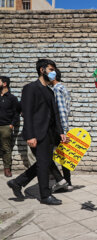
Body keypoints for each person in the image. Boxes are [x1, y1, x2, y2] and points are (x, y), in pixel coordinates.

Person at [7, 59, 67, 205]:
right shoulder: (30, 88)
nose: (53, 72)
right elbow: (26, 113)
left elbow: (55, 114)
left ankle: (17, 182)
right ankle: (45, 196)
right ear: (42, 70)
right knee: (44, 163)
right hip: (37, 133)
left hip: (49, 134)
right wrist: (30, 135)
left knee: (43, 163)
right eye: (51, 69)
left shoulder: (49, 91)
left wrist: (61, 131)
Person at [49, 68, 73, 191]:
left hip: (58, 128)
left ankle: (63, 181)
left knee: (49, 154)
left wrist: (62, 130)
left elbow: (61, 111)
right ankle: (67, 182)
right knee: (64, 156)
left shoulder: (57, 89)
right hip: (61, 127)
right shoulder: (62, 88)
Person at [0, 76, 19, 177]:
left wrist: (11, 125)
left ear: (4, 84)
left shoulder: (12, 98)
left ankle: (7, 169)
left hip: (6, 126)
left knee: (6, 148)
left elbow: (16, 113)